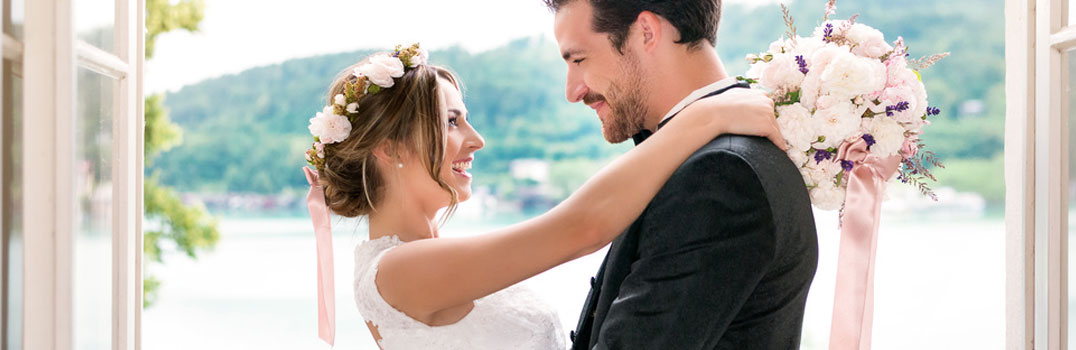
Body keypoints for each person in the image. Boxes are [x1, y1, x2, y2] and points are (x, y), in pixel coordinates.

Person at [301, 44, 786, 349]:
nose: (476, 139)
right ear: (388, 147)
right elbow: (581, 228)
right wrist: (705, 118)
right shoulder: (396, 274)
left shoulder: (425, 261)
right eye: (451, 122)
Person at [544, 0, 820, 348]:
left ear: (646, 31)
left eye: (579, 59)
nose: (573, 92)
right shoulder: (713, 158)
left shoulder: (719, 178)